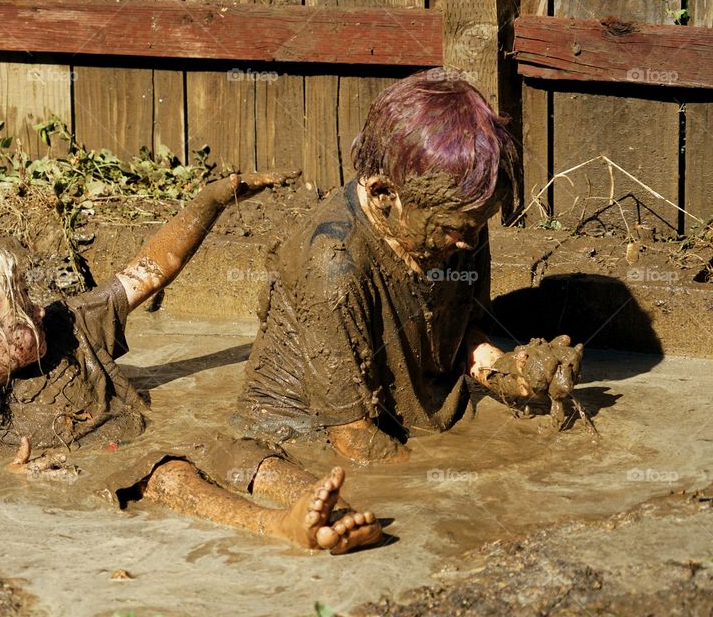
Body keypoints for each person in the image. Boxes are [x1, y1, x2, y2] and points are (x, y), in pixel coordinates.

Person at [0, 171, 382, 555]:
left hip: (150, 437)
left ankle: (339, 515)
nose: (40, 306)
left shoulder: (68, 328)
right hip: (114, 471)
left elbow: (148, 272)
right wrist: (17, 476)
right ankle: (279, 526)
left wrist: (210, 201)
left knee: (233, 448)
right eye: (20, 308)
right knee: (164, 473)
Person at [235, 69, 584, 464]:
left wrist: (509, 371)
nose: (469, 242)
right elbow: (355, 441)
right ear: (384, 191)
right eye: (455, 228)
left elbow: (458, 335)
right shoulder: (332, 264)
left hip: (408, 417)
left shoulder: (457, 219)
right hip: (300, 436)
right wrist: (449, 477)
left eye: (479, 223)